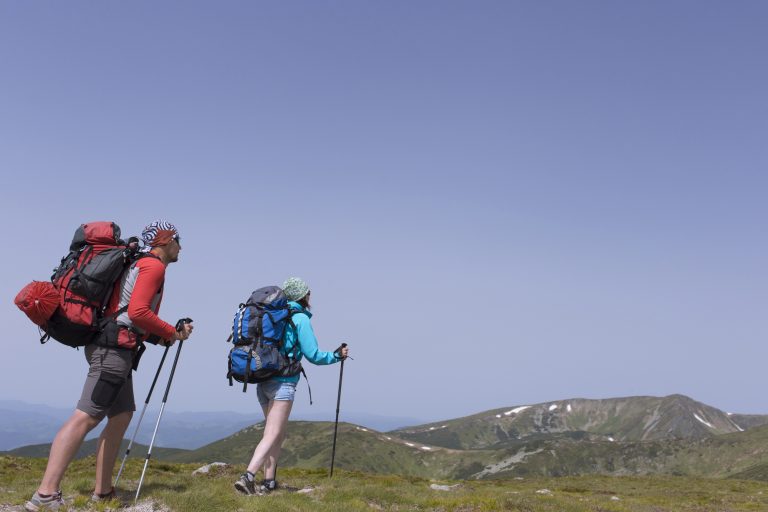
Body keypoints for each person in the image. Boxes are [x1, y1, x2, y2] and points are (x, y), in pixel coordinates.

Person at [25, 220, 194, 511]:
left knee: (121, 415)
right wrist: (172, 332)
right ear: (166, 241)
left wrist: (159, 337)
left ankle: (103, 492)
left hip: (114, 346)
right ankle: (45, 495)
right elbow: (139, 311)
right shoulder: (153, 267)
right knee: (86, 417)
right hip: (113, 351)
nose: (182, 246)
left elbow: (126, 312)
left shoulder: (136, 263)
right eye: (179, 239)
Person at [234, 277, 349, 495]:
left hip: (263, 379)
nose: (310, 296)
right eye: (308, 292)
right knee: (273, 433)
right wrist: (336, 356)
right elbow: (313, 355)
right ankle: (248, 476)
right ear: (302, 296)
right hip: (283, 382)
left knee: (276, 433)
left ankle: (269, 481)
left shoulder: (276, 316)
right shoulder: (300, 319)